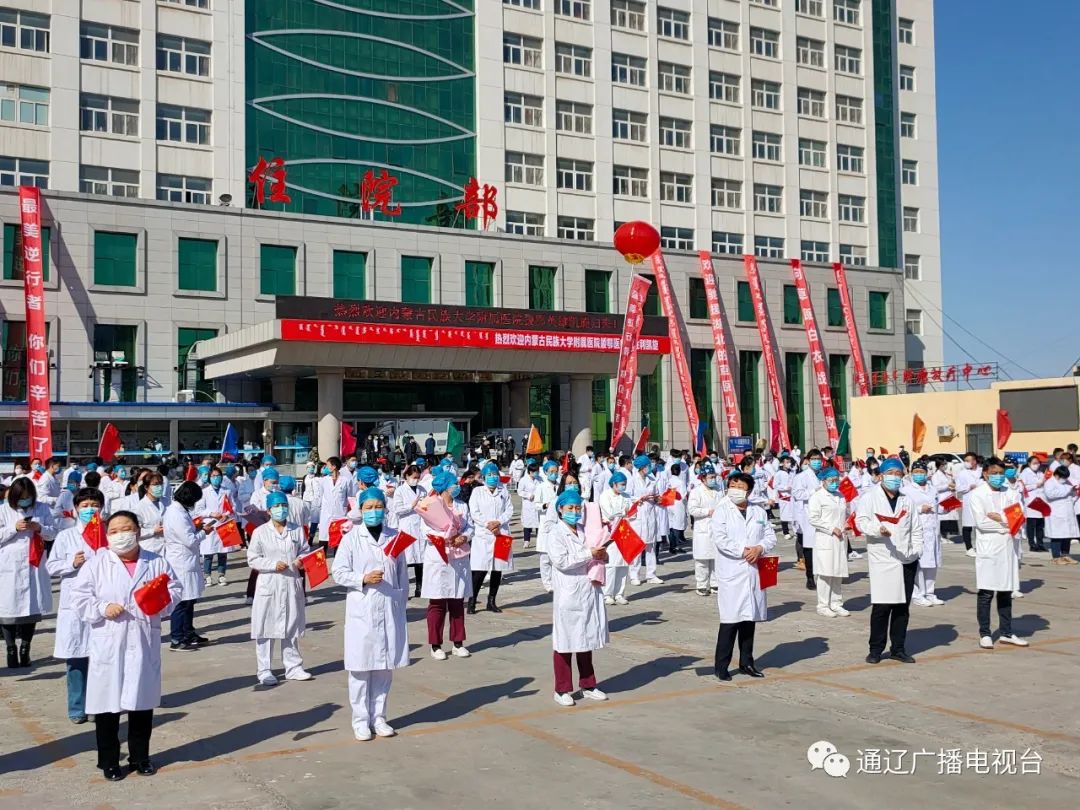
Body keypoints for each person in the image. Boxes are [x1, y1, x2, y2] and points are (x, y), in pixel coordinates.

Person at [71, 510, 182, 780]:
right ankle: (108, 761)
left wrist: (157, 601)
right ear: (107, 535)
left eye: (127, 528)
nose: (122, 535)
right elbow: (78, 597)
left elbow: (175, 589)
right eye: (115, 531)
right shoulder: (96, 563)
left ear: (138, 530)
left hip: (143, 639)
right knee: (107, 707)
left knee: (141, 704)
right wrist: (102, 607)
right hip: (109, 639)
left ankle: (140, 757)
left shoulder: (156, 562)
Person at [332, 488, 409, 741]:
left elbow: (401, 574)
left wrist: (400, 601)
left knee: (384, 668)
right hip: (362, 608)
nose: (374, 511)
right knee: (361, 668)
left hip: (389, 606)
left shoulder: (395, 537)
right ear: (361, 510)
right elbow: (338, 572)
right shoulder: (351, 539)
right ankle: (361, 720)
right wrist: (362, 579)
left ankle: (380, 717)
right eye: (369, 507)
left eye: (378, 507)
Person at [47, 487, 107, 722]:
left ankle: (98, 706)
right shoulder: (66, 537)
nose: (90, 509)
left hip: (102, 603)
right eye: (84, 506)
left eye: (94, 505)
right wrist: (71, 563)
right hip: (74, 605)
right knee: (77, 660)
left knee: (101, 658)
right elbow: (51, 567)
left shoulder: (108, 535)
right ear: (75, 509)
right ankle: (77, 707)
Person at [855, 458, 923, 665]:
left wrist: (917, 550)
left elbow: (916, 528)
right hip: (883, 557)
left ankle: (898, 648)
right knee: (882, 606)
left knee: (902, 607)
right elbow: (861, 521)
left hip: (906, 558)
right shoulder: (869, 498)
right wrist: (878, 530)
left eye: (898, 474)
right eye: (890, 473)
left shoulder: (907, 500)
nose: (895, 477)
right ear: (881, 475)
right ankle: (875, 649)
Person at [711, 472, 776, 681]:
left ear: (748, 489)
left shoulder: (758, 511)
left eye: (739, 485)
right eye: (732, 484)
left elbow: (770, 535)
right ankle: (721, 665)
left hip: (755, 569)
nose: (735, 488)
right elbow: (720, 539)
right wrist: (743, 551)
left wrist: (759, 548)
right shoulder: (722, 510)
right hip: (733, 569)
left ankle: (747, 662)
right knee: (730, 620)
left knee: (750, 619)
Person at [548, 488, 609, 706]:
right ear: (560, 509)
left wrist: (602, 554)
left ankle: (588, 684)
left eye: (577, 508)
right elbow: (561, 561)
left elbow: (597, 553)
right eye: (570, 508)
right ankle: (562, 689)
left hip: (587, 590)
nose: (574, 512)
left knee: (586, 638)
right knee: (565, 641)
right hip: (569, 592)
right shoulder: (555, 533)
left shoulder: (586, 530)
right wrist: (589, 554)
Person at [247, 491, 312, 685]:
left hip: (291, 582)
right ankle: (265, 670)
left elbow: (305, 551)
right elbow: (252, 558)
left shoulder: (297, 530)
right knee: (265, 629)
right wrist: (272, 564)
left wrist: (301, 560)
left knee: (290, 626)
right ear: (268, 510)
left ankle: (293, 667)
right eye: (276, 506)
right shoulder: (260, 532)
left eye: (284, 506)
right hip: (269, 584)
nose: (281, 509)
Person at [970, 459, 1029, 648]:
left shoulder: (1011, 493)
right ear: (985, 474)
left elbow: (1019, 517)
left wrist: (1001, 518)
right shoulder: (977, 495)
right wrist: (1007, 522)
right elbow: (982, 522)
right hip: (989, 548)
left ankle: (1006, 632)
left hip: (1007, 548)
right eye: (994, 473)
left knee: (1005, 591)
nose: (998, 476)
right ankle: (985, 633)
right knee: (986, 592)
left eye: (1001, 473)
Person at [0, 477, 54, 668]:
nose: (25, 500)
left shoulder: (42, 509)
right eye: (21, 497)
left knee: (31, 609)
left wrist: (39, 528)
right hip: (9, 565)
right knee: (8, 609)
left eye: (28, 497)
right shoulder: (3, 510)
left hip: (34, 563)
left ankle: (25, 648)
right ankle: (10, 648)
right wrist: (13, 528)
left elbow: (53, 532)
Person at [422, 470, 473, 660]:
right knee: (437, 602)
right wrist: (446, 537)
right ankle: (435, 645)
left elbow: (470, 526)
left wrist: (463, 536)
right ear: (444, 487)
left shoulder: (461, 505)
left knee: (457, 601)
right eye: (453, 485)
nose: (456, 487)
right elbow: (425, 530)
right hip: (439, 557)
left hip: (459, 557)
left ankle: (458, 642)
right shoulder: (430, 505)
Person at [163, 481, 210, 652]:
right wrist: (204, 532)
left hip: (187, 562)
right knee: (181, 602)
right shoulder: (176, 513)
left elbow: (186, 532)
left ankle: (188, 632)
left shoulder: (180, 511)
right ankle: (176, 637)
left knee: (190, 600)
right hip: (180, 563)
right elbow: (189, 540)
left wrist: (196, 527)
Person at [468, 462, 514, 613]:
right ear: (483, 477)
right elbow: (474, 512)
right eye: (489, 475)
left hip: (501, 534)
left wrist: (499, 522)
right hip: (483, 534)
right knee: (479, 570)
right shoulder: (477, 492)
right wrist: (488, 524)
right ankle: (472, 600)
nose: (493, 478)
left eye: (495, 475)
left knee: (498, 569)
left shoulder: (503, 491)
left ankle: (491, 601)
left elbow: (509, 509)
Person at [807, 467, 850, 618]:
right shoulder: (817, 497)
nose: (834, 483)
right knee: (825, 573)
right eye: (831, 480)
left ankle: (836, 603)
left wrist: (846, 524)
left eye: (836, 480)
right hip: (826, 538)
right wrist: (831, 528)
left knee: (838, 572)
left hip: (840, 539)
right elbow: (813, 518)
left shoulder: (840, 495)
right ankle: (823, 605)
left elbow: (846, 513)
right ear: (823, 481)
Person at [902, 461, 946, 606]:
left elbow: (937, 506)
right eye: (916, 471)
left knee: (932, 563)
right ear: (912, 473)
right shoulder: (907, 490)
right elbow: (904, 509)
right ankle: (918, 593)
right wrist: (920, 508)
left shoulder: (932, 489)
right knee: (920, 564)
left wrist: (946, 508)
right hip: (918, 529)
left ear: (926, 473)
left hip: (933, 529)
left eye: (922, 471)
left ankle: (930, 592)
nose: (919, 474)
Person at [391, 464, 428, 598]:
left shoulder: (422, 489)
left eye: (418, 477)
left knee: (420, 560)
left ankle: (420, 587)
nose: (416, 480)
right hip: (406, 526)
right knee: (405, 559)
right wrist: (412, 505)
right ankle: (403, 587)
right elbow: (397, 509)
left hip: (420, 526)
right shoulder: (400, 490)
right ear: (406, 476)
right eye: (413, 477)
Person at [626, 454, 661, 585]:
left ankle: (651, 574)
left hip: (650, 515)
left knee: (651, 546)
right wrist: (639, 499)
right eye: (648, 465)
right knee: (637, 546)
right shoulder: (632, 480)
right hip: (638, 516)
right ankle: (634, 575)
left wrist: (657, 499)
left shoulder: (652, 479)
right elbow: (627, 496)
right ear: (641, 467)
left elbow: (656, 495)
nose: (650, 467)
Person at [598, 471, 632, 605]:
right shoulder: (605, 496)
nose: (624, 487)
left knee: (624, 564)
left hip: (625, 532)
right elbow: (610, 514)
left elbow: (632, 512)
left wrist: (625, 513)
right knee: (611, 565)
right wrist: (623, 513)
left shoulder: (626, 496)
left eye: (625, 484)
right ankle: (608, 593)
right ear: (614, 484)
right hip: (611, 533)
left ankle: (619, 593)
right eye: (622, 484)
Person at [688, 463, 722, 596]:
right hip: (703, 528)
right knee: (702, 560)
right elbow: (692, 509)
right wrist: (708, 511)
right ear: (703, 478)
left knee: (716, 558)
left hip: (717, 528)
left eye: (714, 476)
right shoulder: (696, 492)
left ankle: (715, 583)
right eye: (710, 477)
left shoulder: (718, 490)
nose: (713, 479)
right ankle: (701, 584)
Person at [792, 450, 823, 590]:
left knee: (823, 547)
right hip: (809, 515)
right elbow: (797, 494)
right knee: (809, 547)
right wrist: (813, 492)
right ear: (808, 460)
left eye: (819, 459)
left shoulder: (825, 475)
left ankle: (823, 574)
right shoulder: (801, 476)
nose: (817, 461)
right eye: (814, 459)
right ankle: (810, 577)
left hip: (824, 515)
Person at [198, 465, 231, 587]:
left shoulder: (227, 491)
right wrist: (212, 514)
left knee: (223, 552)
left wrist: (226, 515)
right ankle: (207, 576)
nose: (216, 478)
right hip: (210, 524)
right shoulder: (204, 492)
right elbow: (199, 510)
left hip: (224, 523)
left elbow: (231, 507)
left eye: (218, 476)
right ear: (209, 477)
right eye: (213, 476)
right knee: (208, 553)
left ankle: (221, 575)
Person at [318, 457, 358, 554]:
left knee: (338, 540)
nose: (325, 468)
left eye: (327, 466)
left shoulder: (345, 480)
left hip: (340, 514)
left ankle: (338, 561)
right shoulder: (323, 480)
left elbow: (350, 497)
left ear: (334, 467)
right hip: (326, 514)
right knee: (323, 539)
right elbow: (320, 496)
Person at [1044, 465, 1078, 565]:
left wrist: (1073, 493)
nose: (1065, 480)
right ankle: (1056, 557)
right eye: (1064, 477)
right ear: (1058, 475)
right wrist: (1067, 491)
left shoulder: (1066, 482)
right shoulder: (1049, 483)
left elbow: (1071, 494)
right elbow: (1050, 495)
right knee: (1057, 535)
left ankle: (1065, 555)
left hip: (1067, 512)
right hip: (1056, 513)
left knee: (1067, 535)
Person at [955, 452, 982, 557]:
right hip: (968, 499)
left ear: (974, 461)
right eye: (965, 461)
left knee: (980, 524)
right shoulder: (962, 473)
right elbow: (958, 488)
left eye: (968, 460)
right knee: (967, 525)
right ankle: (969, 547)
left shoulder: (981, 471)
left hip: (980, 500)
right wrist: (968, 487)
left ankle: (980, 546)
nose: (966, 463)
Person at [1019, 455, 1048, 552]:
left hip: (1041, 500)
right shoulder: (1024, 473)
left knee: (1040, 525)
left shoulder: (1040, 473)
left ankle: (1040, 544)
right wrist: (1036, 485)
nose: (1036, 465)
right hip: (1031, 501)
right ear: (1029, 463)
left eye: (1038, 463)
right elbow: (1021, 488)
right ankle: (1032, 544)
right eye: (1034, 463)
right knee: (1031, 524)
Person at [134, 473, 167, 553]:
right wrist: (153, 531)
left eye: (160, 484)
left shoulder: (167, 502)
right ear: (146, 487)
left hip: (167, 547)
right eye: (155, 485)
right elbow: (134, 531)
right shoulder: (140, 507)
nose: (159, 487)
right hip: (150, 548)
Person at [517, 462, 540, 548]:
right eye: (534, 472)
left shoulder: (539, 479)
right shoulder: (523, 480)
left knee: (538, 523)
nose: (536, 473)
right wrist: (528, 495)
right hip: (528, 504)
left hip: (537, 503)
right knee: (527, 524)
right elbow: (520, 491)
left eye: (537, 471)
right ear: (530, 472)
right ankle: (527, 540)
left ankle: (539, 540)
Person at [667, 462, 688, 554]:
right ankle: (675, 546)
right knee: (677, 525)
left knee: (671, 525)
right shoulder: (680, 482)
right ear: (679, 472)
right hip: (678, 504)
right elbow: (683, 495)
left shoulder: (668, 481)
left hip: (669, 503)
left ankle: (672, 546)